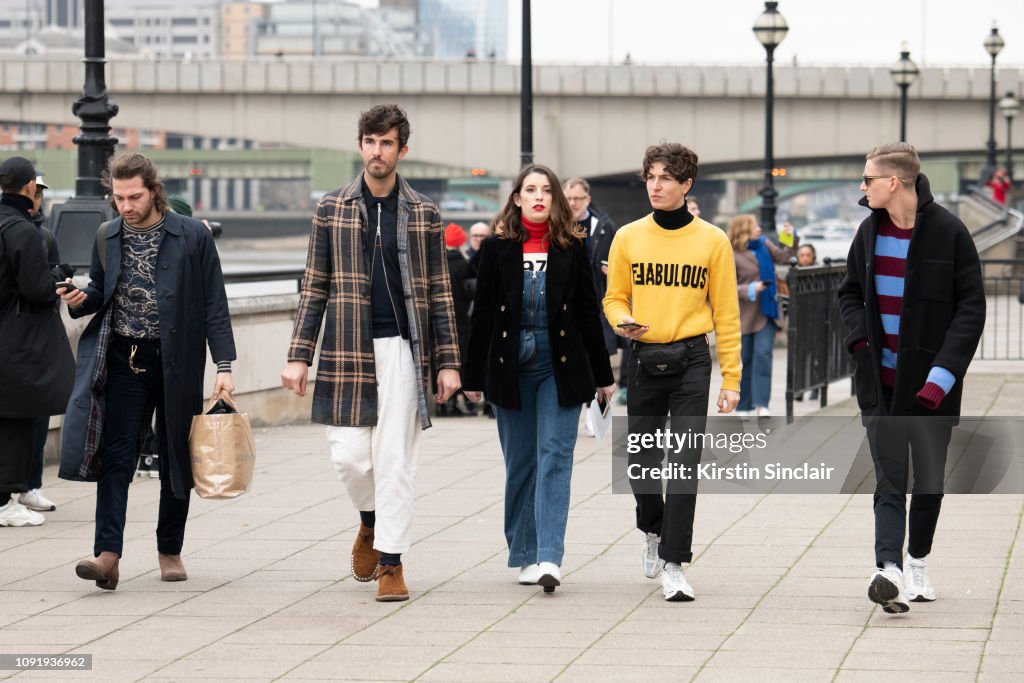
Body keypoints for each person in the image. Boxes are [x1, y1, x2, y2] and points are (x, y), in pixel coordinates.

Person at [281, 104, 461, 603]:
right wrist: (300, 355)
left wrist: (448, 361)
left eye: (386, 143)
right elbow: (314, 285)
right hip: (346, 346)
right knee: (350, 458)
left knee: (395, 459)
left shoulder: (423, 211)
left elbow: (440, 291)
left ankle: (392, 563)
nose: (376, 151)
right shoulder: (331, 207)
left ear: (403, 150)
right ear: (360, 145)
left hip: (404, 349)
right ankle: (370, 522)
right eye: (369, 141)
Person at [59, 152, 236, 591]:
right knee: (116, 457)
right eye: (118, 197)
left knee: (176, 456)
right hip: (124, 359)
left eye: (133, 196)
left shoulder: (191, 235)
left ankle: (169, 550)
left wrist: (224, 366)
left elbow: (215, 302)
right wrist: (82, 300)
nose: (125, 205)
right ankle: (107, 555)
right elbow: (103, 291)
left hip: (177, 361)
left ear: (154, 190)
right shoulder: (108, 235)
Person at [838, 142, 985, 614]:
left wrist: (942, 375)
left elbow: (971, 309)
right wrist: (861, 341)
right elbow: (850, 295)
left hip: (931, 391)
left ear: (893, 182)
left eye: (868, 179)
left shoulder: (949, 233)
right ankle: (889, 569)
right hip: (878, 386)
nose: (863, 187)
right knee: (888, 481)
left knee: (929, 482)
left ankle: (917, 561)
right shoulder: (868, 232)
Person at [463, 164, 615, 592]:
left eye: (546, 190)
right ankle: (524, 553)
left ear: (556, 200)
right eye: (530, 190)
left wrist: (603, 376)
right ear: (516, 199)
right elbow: (482, 318)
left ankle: (550, 555)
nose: (538, 197)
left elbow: (589, 314)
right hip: (509, 363)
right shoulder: (496, 249)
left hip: (560, 362)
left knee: (555, 456)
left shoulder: (572, 247)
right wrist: (473, 375)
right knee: (521, 464)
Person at [603, 142, 741, 601]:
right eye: (651, 177)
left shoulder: (712, 241)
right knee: (641, 461)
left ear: (686, 185)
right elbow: (613, 297)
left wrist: (733, 380)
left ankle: (675, 562)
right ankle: (652, 530)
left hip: (692, 362)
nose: (656, 186)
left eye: (666, 178)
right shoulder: (627, 237)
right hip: (644, 358)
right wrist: (621, 320)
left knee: (683, 463)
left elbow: (727, 313)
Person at [0, 157, 68, 528]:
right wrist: (59, 274)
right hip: (19, 341)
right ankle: (6, 500)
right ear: (29, 187)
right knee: (17, 421)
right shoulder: (23, 231)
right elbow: (38, 290)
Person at [726, 214, 795, 418]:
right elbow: (726, 286)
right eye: (754, 226)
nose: (759, 229)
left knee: (763, 356)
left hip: (767, 312)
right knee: (746, 359)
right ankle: (744, 405)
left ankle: (762, 404)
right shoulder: (731, 253)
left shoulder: (765, 245)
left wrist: (789, 238)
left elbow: (786, 258)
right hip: (745, 313)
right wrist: (750, 288)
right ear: (743, 230)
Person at [22, 174, 62, 513]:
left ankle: (30, 485)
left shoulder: (45, 236)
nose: (36, 198)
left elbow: (55, 282)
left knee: (37, 419)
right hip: (17, 339)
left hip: (39, 340)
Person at [438, 222, 475, 417]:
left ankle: (442, 403)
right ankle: (455, 402)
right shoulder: (464, 265)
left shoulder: (437, 263)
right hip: (460, 319)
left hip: (439, 319)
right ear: (461, 242)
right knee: (460, 359)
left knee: (441, 359)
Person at [794, 242, 819, 402]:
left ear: (813, 257)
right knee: (800, 356)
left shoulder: (818, 273)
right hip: (800, 321)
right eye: (801, 255)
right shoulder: (795, 272)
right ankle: (799, 390)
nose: (804, 258)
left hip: (815, 320)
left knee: (817, 356)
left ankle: (815, 388)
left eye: (807, 255)